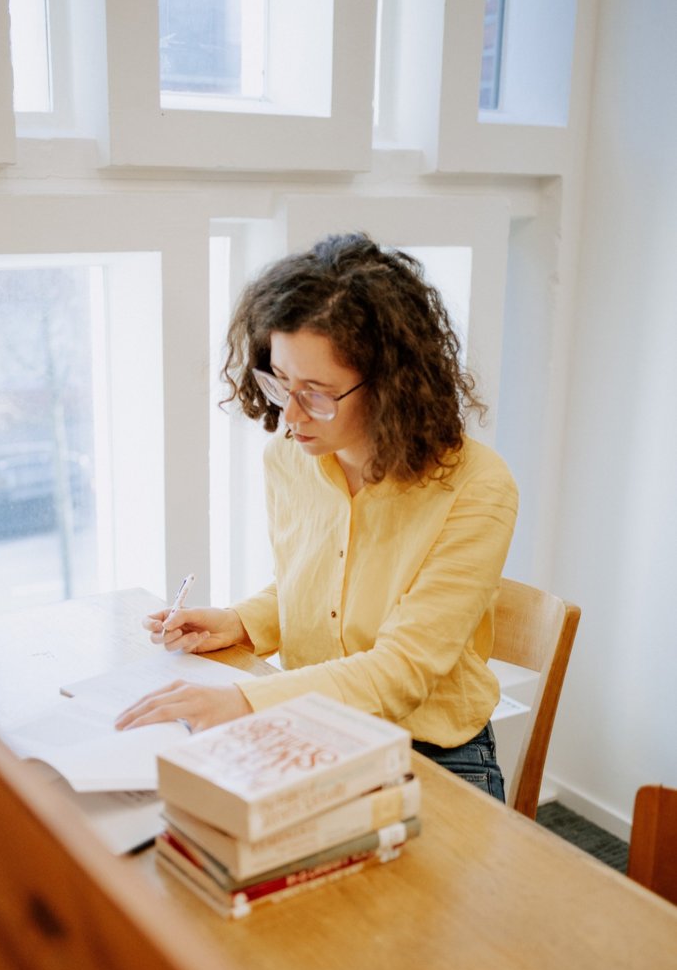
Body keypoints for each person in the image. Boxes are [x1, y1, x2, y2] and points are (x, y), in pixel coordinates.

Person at [115, 233, 518, 799]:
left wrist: (246, 701)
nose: (291, 414)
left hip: (431, 749)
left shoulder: (476, 486)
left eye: (317, 393)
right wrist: (241, 622)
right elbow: (316, 587)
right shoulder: (290, 458)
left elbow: (402, 669)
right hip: (313, 718)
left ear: (390, 386)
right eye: (279, 381)